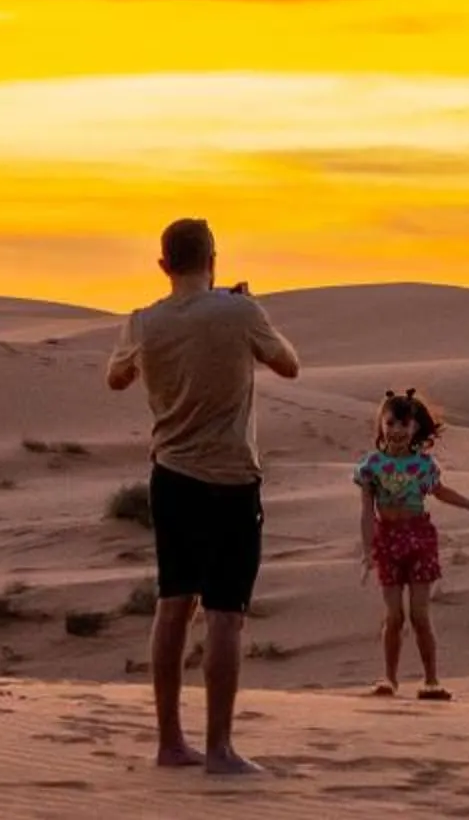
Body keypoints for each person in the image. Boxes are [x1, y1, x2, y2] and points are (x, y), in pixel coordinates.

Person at [103, 216, 302, 776]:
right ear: (213, 257)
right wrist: (245, 311)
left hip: (171, 478)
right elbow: (288, 364)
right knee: (224, 615)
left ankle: (170, 743)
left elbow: (116, 379)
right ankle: (218, 748)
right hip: (232, 480)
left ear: (164, 265)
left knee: (173, 605)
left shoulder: (143, 321)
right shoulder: (239, 312)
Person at [353, 390, 469, 700]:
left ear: (415, 428)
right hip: (387, 539)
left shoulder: (424, 465)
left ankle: (432, 680)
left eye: (404, 424)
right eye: (391, 423)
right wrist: (368, 549)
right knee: (394, 615)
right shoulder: (371, 465)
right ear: (381, 425)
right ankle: (389, 679)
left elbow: (441, 492)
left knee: (420, 614)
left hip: (419, 536)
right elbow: (366, 511)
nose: (396, 430)